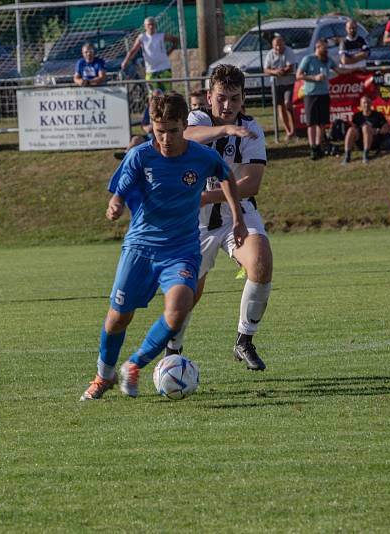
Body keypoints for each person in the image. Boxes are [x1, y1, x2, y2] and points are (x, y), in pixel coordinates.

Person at [80, 92, 246, 400]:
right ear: (152, 128)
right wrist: (114, 205)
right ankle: (103, 377)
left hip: (182, 249)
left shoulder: (201, 156)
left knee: (178, 309)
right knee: (118, 317)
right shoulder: (141, 156)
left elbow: (226, 177)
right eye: (160, 131)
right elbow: (120, 189)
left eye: (172, 130)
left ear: (185, 125)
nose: (166, 138)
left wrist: (237, 218)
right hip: (140, 248)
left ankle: (134, 365)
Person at [164, 64, 273, 371]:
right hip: (196, 222)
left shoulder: (252, 129)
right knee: (187, 296)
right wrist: (223, 129)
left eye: (235, 99)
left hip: (236, 212)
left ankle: (244, 340)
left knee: (261, 262)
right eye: (222, 98)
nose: (228, 106)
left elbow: (252, 183)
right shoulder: (198, 118)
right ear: (209, 96)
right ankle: (172, 351)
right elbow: (186, 136)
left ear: (243, 99)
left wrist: (208, 196)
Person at [296, 39, 349, 160]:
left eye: (327, 48)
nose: (326, 51)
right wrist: (314, 78)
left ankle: (319, 146)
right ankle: (312, 147)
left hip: (324, 94)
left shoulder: (328, 60)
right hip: (311, 94)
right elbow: (298, 75)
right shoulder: (308, 59)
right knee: (311, 123)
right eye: (324, 48)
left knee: (322, 123)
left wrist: (355, 70)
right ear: (317, 47)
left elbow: (339, 70)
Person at [121, 17, 180, 93]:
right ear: (145, 26)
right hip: (151, 70)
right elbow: (133, 51)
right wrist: (125, 62)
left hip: (164, 68)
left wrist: (169, 51)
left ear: (155, 25)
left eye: (153, 24)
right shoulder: (142, 37)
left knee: (167, 94)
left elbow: (175, 40)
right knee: (152, 95)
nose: (151, 27)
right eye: (149, 25)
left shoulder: (161, 36)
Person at [343, 95, 390, 164]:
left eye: (368, 103)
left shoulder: (378, 115)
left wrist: (376, 131)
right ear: (360, 105)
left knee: (365, 128)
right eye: (364, 103)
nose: (366, 105)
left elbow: (387, 129)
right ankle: (347, 155)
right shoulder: (357, 116)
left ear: (371, 104)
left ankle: (365, 155)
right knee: (351, 129)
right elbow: (354, 129)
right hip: (360, 142)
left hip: (374, 141)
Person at [263, 35, 296, 140]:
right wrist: (275, 72)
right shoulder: (270, 54)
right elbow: (266, 69)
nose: (278, 48)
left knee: (288, 104)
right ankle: (288, 131)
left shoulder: (289, 51)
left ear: (283, 44)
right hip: (276, 84)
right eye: (275, 46)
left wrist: (281, 71)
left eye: (279, 45)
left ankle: (293, 129)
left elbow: (290, 67)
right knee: (280, 107)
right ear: (273, 46)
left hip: (288, 83)